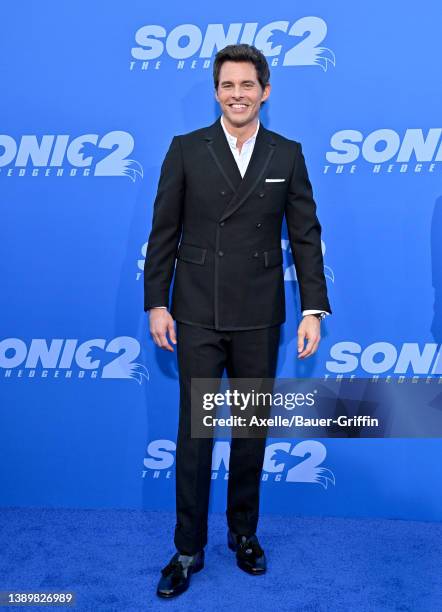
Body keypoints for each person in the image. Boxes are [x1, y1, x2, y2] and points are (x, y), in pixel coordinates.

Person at [143, 43, 332, 598]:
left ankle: (244, 534)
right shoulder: (185, 149)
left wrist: (313, 309)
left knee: (250, 433)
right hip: (197, 311)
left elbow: (305, 236)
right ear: (216, 92)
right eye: (227, 85)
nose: (237, 95)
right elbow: (163, 233)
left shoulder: (287, 154)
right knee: (195, 435)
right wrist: (157, 301)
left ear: (265, 91)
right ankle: (187, 548)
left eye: (247, 85)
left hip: (258, 314)